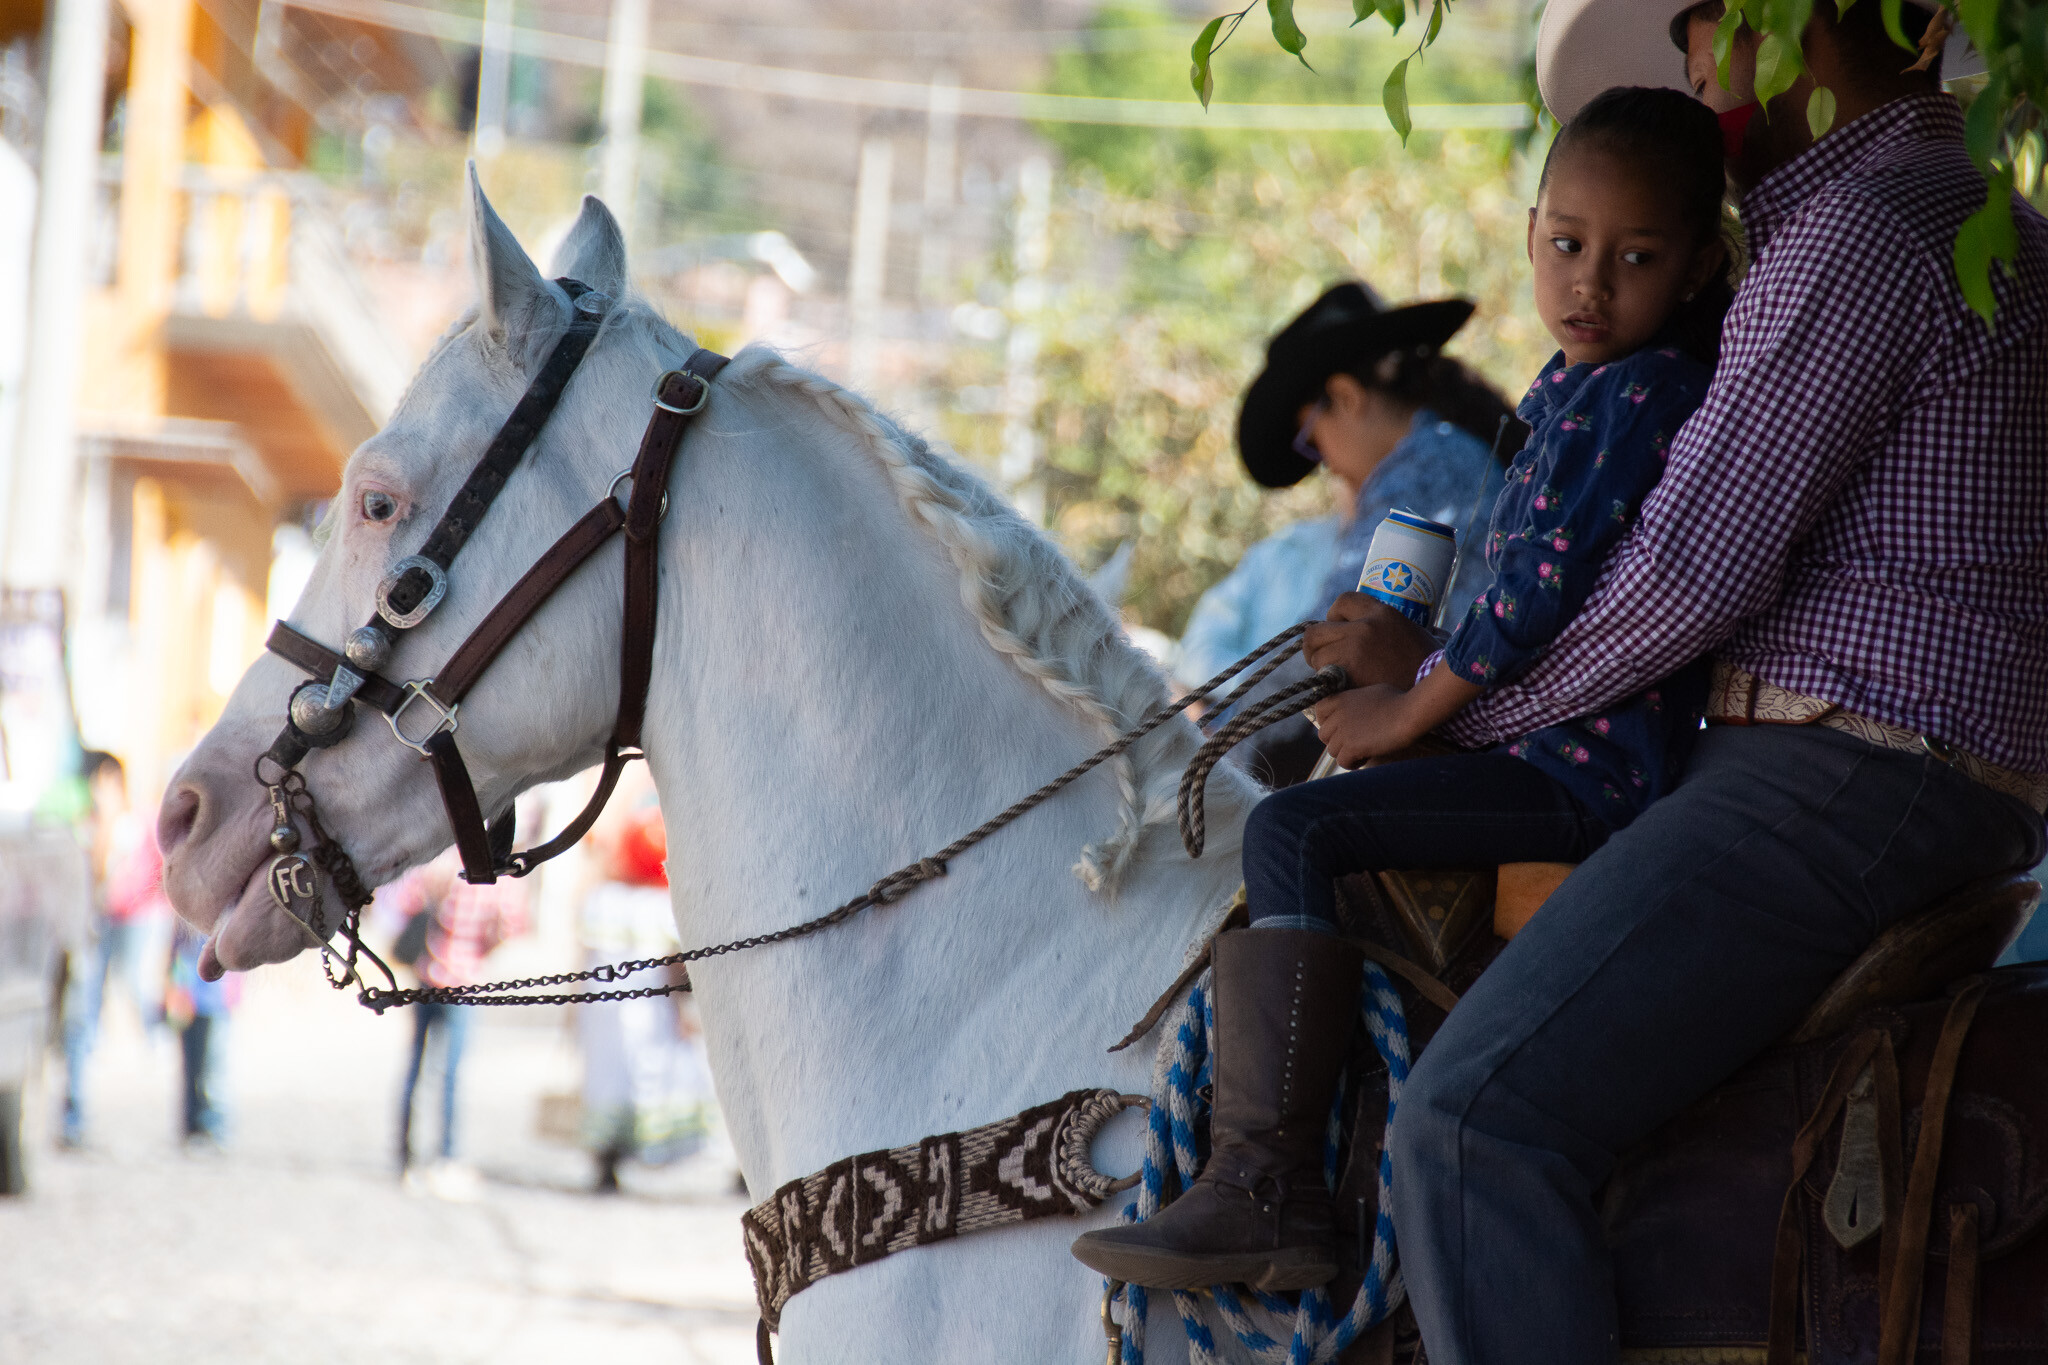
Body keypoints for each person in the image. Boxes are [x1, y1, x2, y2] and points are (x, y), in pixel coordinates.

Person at [1276, 2, 2047, 1360]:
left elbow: (1687, 575)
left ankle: (1262, 1172)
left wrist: (1435, 711)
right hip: (1898, 774)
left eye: (1719, 20)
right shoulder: (1977, 208)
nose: (1693, 59)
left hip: (1841, 772)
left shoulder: (1860, 230)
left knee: (1469, 1120)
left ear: (1854, 29)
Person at [1072, 86, 1732, 1293]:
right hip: (1522, 728)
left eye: (1631, 259)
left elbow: (1491, 615)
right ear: (1536, 235)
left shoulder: (1475, 461)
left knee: (1288, 835)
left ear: (1340, 403)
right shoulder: (1536, 412)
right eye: (1569, 248)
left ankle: (1262, 1178)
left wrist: (1385, 692)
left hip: (1563, 760)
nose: (1589, 283)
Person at [1173, 285, 1513, 696]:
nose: (1328, 466)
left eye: (1313, 441)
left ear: (1346, 397)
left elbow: (1335, 644)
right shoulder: (1450, 455)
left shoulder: (1429, 471)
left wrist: (1229, 741)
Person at [575, 803, 715, 1193]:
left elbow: (584, 959)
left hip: (603, 1014)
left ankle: (606, 1159)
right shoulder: (666, 908)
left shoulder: (602, 901)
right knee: (652, 1076)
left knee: (607, 1080)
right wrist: (686, 1011)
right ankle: (644, 1152)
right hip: (650, 1011)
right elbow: (675, 967)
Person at [378, 847, 527, 1193]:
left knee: (415, 1065)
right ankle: (446, 1154)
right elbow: (509, 925)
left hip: (427, 976)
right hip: (464, 980)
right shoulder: (496, 876)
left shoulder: (438, 867)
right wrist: (480, 949)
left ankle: (404, 1151)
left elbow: (403, 907)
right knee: (451, 1073)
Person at [58, 751, 171, 1149]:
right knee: (83, 1009)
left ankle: (155, 1032)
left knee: (138, 984)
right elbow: (97, 873)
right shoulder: (86, 827)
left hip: (137, 916)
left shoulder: (140, 822)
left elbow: (163, 872)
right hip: (97, 922)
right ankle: (74, 1112)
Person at [163, 918, 239, 1148]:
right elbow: (176, 945)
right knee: (191, 1065)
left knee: (212, 1066)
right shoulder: (185, 909)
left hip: (214, 998)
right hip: (187, 993)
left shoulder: (228, 909)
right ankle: (191, 1125)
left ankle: (212, 1125)